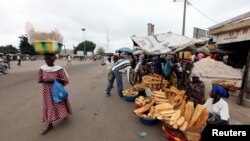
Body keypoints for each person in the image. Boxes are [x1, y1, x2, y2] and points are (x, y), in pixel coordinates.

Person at [38, 53, 72, 135]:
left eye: (49, 59)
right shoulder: (42, 69)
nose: (47, 61)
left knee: (60, 102)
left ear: (54, 59)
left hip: (57, 90)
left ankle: (64, 114)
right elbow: (39, 79)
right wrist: (46, 80)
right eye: (46, 59)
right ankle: (50, 125)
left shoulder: (59, 69)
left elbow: (65, 80)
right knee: (49, 106)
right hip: (47, 92)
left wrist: (54, 80)